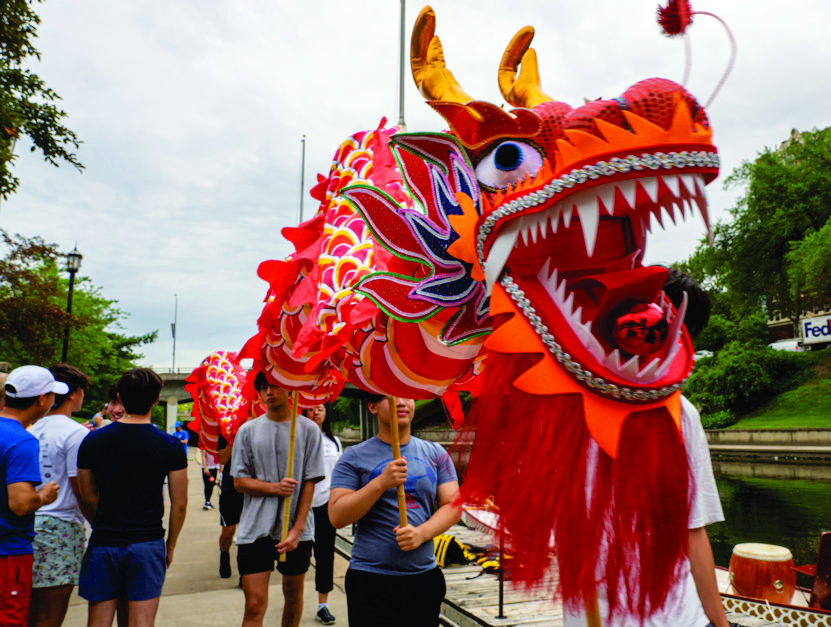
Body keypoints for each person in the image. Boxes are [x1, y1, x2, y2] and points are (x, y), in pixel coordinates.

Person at [562, 269, 728, 627]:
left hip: (672, 614)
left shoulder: (681, 415)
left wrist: (720, 623)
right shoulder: (569, 408)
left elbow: (691, 530)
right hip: (600, 614)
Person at [329, 395, 461, 627]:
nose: (401, 402)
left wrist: (421, 533)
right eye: (390, 397)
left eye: (408, 395)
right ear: (371, 406)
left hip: (423, 578)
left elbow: (453, 505)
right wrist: (380, 483)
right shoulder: (353, 457)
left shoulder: (436, 453)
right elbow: (337, 516)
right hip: (370, 580)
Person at [76, 368, 188, 627]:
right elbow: (179, 504)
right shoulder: (170, 446)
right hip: (147, 542)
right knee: (141, 622)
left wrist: (104, 521)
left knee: (98, 621)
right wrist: (169, 545)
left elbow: (88, 494)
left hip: (104, 540)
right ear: (155, 398)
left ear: (121, 396)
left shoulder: (92, 441)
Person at [231, 372, 324, 627]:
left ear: (290, 389)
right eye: (263, 388)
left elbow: (310, 482)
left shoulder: (308, 430)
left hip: (296, 532)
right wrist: (275, 488)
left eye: (274, 386)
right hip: (255, 529)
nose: (268, 392)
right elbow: (239, 481)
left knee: (293, 599)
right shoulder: (248, 431)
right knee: (254, 604)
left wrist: (297, 530)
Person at [28, 364, 95, 627]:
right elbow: (81, 489)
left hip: (26, 523)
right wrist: (95, 522)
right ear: (72, 393)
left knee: (29, 612)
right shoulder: (75, 432)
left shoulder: (30, 428)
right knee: (51, 617)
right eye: (82, 391)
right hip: (61, 528)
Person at [0, 366, 62, 626]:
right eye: (52, 396)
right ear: (42, 399)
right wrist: (44, 495)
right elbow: (21, 503)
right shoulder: (21, 440)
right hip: (9, 552)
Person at [305, 404, 341, 625]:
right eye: (310, 409)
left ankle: (323, 605)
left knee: (325, 555)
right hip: (303, 507)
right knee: (299, 557)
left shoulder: (333, 441)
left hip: (327, 506)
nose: (315, 412)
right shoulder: (298, 440)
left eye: (319, 408)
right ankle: (294, 600)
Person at [216, 433, 243, 579]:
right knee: (228, 531)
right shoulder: (226, 431)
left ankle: (245, 571)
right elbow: (223, 458)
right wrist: (233, 438)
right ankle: (224, 553)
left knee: (247, 531)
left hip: (252, 486)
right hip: (230, 487)